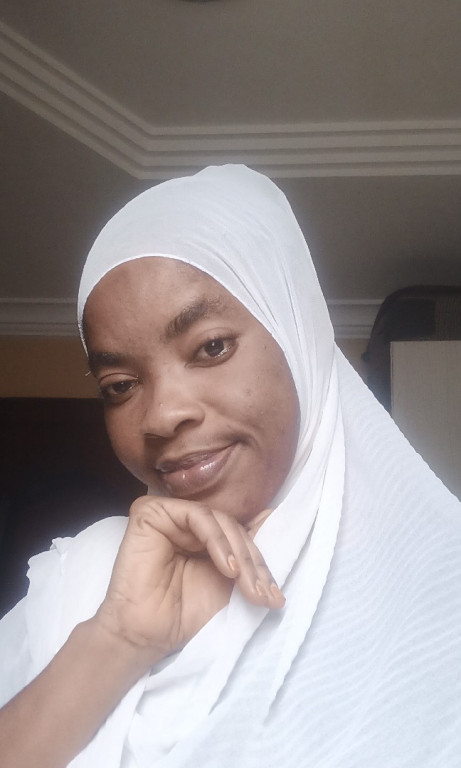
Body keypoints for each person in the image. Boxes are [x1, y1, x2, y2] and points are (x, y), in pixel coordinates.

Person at [1, 165, 461, 768]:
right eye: (120, 385)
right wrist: (118, 641)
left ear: (295, 335)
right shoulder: (84, 578)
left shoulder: (437, 600)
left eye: (211, 347)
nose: (161, 416)